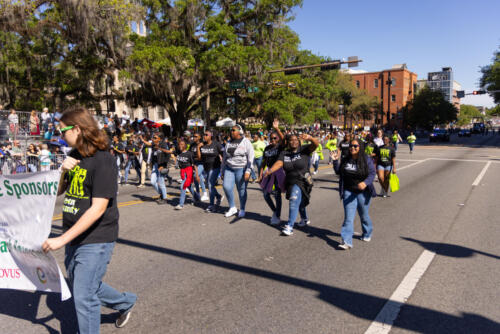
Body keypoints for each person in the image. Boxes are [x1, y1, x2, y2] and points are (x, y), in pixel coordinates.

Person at [42, 106, 136, 333]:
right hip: (75, 234)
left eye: (62, 132)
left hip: (97, 237)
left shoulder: (103, 160)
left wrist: (61, 239)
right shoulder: (73, 156)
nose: (60, 137)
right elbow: (58, 192)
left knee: (83, 296)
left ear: (76, 129)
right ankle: (125, 302)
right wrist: (62, 171)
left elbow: (98, 208)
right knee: (79, 285)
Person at [264, 133, 319, 236]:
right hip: (290, 181)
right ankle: (304, 218)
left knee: (294, 199)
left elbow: (315, 144)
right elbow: (279, 163)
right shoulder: (284, 153)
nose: (294, 141)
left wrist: (310, 138)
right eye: (291, 140)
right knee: (299, 201)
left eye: (295, 140)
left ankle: (289, 226)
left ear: (298, 141)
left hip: (303, 180)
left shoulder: (304, 149)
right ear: (288, 142)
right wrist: (270, 171)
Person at [332, 138, 376, 249]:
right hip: (348, 191)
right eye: (351, 146)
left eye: (355, 146)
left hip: (363, 192)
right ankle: (347, 241)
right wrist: (335, 161)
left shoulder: (366, 159)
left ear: (360, 147)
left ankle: (367, 232)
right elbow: (339, 171)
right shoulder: (346, 159)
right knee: (348, 218)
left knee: (364, 215)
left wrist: (365, 183)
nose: (352, 148)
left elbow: (372, 173)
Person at [221, 124, 254, 218]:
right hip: (229, 168)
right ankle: (232, 207)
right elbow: (224, 158)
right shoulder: (228, 142)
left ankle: (242, 209)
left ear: (240, 131)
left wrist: (248, 170)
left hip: (241, 169)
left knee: (241, 190)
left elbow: (251, 156)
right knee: (226, 187)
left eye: (233, 130)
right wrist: (222, 170)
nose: (231, 132)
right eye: (231, 130)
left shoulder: (245, 142)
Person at [258, 119, 285, 225]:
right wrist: (260, 174)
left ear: (278, 139)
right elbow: (263, 162)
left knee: (277, 195)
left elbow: (284, 139)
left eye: (275, 138)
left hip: (279, 172)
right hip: (268, 172)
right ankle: (275, 211)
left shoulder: (280, 146)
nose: (273, 139)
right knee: (265, 194)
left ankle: (277, 216)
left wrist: (277, 128)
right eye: (271, 138)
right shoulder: (267, 148)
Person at [198, 130, 224, 212]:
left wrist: (224, 166)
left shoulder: (216, 144)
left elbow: (223, 154)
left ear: (210, 136)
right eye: (203, 135)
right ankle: (218, 196)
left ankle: (211, 205)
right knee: (210, 185)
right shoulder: (202, 145)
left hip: (215, 167)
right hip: (206, 168)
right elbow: (199, 158)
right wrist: (198, 148)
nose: (204, 136)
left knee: (209, 185)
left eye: (206, 135)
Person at [175, 139, 200, 209]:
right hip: (182, 171)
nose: (180, 146)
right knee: (188, 186)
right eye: (179, 144)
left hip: (189, 171)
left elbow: (194, 164)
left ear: (185, 146)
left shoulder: (189, 154)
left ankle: (181, 204)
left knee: (183, 186)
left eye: (182, 144)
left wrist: (197, 175)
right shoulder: (179, 153)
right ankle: (197, 197)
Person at [151, 133, 172, 204]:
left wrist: (163, 165)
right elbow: (153, 156)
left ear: (159, 139)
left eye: (155, 138)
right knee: (153, 181)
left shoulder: (163, 145)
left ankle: (165, 198)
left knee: (161, 182)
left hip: (161, 165)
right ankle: (161, 194)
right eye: (153, 137)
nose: (153, 139)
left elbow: (168, 155)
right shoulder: (153, 146)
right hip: (155, 165)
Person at [190, 132, 208, 201]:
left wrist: (194, 158)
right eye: (194, 136)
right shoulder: (192, 145)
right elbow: (190, 154)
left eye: (196, 136)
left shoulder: (202, 144)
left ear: (200, 137)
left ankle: (204, 193)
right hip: (194, 164)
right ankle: (198, 194)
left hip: (201, 163)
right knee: (197, 177)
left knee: (195, 175)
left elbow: (202, 156)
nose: (194, 138)